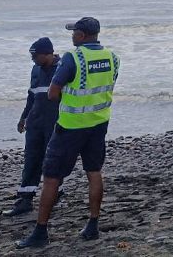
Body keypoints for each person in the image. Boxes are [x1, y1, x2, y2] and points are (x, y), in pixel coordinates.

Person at [17, 17, 119, 248]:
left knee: (51, 177)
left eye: (74, 32)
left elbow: (53, 93)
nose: (72, 36)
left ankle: (40, 232)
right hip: (99, 123)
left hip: (71, 126)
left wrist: (69, 98)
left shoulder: (74, 57)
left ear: (82, 36)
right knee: (94, 172)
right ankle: (93, 225)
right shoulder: (112, 57)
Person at [3, 37, 64, 216]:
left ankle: (55, 195)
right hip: (36, 122)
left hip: (55, 121)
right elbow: (32, 96)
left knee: (52, 161)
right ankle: (25, 200)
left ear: (48, 54)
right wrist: (24, 117)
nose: (33, 60)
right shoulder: (36, 69)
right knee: (31, 160)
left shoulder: (63, 68)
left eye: (35, 56)